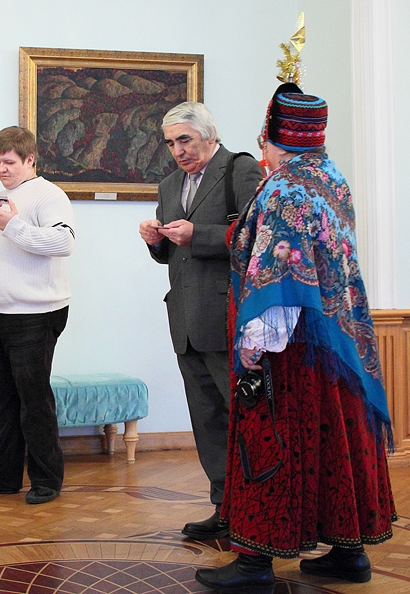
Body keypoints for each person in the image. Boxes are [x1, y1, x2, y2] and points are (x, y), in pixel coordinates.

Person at [195, 86, 396, 592]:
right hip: (341, 342)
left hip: (294, 349)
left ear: (273, 133)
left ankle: (255, 563)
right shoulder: (330, 178)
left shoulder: (285, 188)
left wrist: (253, 345)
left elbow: (280, 273)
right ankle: (348, 553)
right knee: (336, 440)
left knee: (274, 441)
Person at [139, 102, 262, 540]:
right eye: (171, 143)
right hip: (186, 320)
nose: (178, 151)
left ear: (209, 134)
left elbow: (256, 236)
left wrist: (200, 236)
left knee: (243, 419)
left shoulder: (239, 170)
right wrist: (155, 242)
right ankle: (224, 508)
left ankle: (257, 510)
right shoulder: (169, 184)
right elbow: (174, 255)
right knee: (208, 421)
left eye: (185, 140)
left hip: (231, 320)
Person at [0, 126, 75, 505]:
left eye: (8, 162)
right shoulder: (1, 199)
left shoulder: (49, 195)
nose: (1, 169)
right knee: (3, 399)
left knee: (33, 399)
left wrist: (12, 226)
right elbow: (1, 251)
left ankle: (46, 480)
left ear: (30, 159)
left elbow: (64, 241)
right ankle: (4, 476)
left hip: (34, 314)